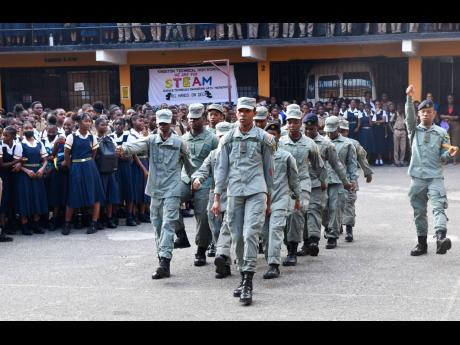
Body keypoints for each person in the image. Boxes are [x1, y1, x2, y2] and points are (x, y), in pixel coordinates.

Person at [117, 109, 195, 279]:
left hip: (172, 190)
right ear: (157, 123)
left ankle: (165, 262)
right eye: (161, 123)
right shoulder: (152, 140)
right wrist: (123, 149)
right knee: (157, 225)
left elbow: (189, 165)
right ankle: (161, 257)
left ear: (171, 123)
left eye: (166, 123)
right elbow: (137, 145)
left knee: (168, 223)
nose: (163, 126)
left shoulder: (179, 143)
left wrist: (195, 180)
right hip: (155, 189)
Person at [212, 97, 276, 306]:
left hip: (257, 191)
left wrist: (269, 197)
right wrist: (217, 197)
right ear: (236, 112)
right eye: (240, 110)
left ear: (254, 112)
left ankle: (248, 281)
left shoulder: (264, 138)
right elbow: (221, 169)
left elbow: (269, 169)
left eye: (247, 111)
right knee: (237, 236)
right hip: (234, 193)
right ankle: (242, 275)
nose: (243, 114)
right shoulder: (227, 139)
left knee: (250, 234)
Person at [405, 85, 458, 256]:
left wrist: (449, 154)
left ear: (434, 114)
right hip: (417, 178)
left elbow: (443, 155)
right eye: (423, 112)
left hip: (435, 176)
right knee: (419, 211)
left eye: (429, 111)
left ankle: (441, 239)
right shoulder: (413, 130)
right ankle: (422, 245)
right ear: (419, 114)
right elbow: (409, 116)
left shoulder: (442, 132)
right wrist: (409, 98)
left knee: (438, 208)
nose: (426, 114)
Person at [297, 114, 351, 256]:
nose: (308, 131)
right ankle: (306, 242)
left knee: (314, 211)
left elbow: (337, 164)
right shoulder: (298, 141)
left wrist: (345, 182)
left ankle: (315, 240)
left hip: (317, 184)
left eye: (312, 128)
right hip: (300, 184)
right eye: (306, 129)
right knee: (303, 213)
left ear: (318, 127)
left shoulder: (326, 144)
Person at [279, 105, 326, 265]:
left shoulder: (309, 143)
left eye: (295, 122)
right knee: (283, 216)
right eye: (289, 121)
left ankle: (292, 251)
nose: (292, 125)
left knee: (295, 213)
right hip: (283, 184)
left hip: (302, 184)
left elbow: (318, 165)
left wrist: (323, 181)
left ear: (301, 123)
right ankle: (291, 243)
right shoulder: (279, 142)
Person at [173, 104, 218, 266]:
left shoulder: (212, 138)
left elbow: (216, 162)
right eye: (190, 119)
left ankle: (201, 250)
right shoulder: (182, 138)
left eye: (196, 119)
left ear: (203, 120)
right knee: (170, 200)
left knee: (203, 216)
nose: (192, 122)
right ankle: (181, 235)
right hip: (186, 178)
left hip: (205, 181)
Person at [191, 122, 233, 276]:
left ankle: (222, 258)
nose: (222, 140)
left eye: (225, 137)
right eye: (219, 137)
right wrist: (197, 179)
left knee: (227, 228)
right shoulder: (213, 154)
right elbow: (203, 169)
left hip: (233, 195)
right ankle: (224, 261)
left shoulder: (238, 153)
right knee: (215, 228)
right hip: (215, 194)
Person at [261, 122, 300, 279]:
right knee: (265, 234)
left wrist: (297, 198)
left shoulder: (286, 156)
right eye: (269, 135)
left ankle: (273, 265)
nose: (272, 137)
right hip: (262, 200)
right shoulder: (258, 155)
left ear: (279, 137)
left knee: (275, 230)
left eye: (275, 135)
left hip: (280, 199)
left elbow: (294, 179)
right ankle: (269, 258)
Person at [62, 113, 105, 235]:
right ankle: (67, 223)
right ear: (80, 123)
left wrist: (88, 162)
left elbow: (94, 152)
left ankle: (94, 222)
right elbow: (66, 154)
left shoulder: (92, 137)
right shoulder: (72, 137)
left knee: (95, 194)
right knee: (73, 194)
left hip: (90, 167)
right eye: (86, 121)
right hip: (76, 166)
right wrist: (72, 167)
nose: (89, 123)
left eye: (90, 121)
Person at [322, 116, 357, 249]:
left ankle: (333, 236)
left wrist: (352, 181)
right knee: (323, 208)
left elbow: (352, 165)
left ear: (338, 129)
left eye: (332, 130)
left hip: (339, 181)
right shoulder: (320, 142)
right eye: (328, 131)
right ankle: (327, 226)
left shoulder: (347, 144)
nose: (330, 133)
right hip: (323, 180)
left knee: (336, 208)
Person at [338, 119, 373, 242]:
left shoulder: (353, 143)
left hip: (350, 178)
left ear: (347, 131)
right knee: (333, 205)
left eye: (344, 131)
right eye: (339, 130)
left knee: (349, 203)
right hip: (333, 179)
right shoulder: (328, 143)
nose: (341, 133)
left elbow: (362, 158)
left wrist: (367, 172)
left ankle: (348, 230)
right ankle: (336, 227)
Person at [15, 121, 49, 235]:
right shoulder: (20, 144)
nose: (28, 129)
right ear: (23, 130)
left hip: (37, 174)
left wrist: (42, 169)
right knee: (25, 198)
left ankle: (36, 224)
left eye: (30, 127)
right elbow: (17, 163)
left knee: (37, 197)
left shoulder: (39, 143)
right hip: (25, 175)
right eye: (26, 128)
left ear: (33, 129)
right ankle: (24, 225)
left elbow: (45, 160)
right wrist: (26, 170)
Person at [109, 118, 136, 226]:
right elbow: (111, 153)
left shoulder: (129, 136)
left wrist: (121, 155)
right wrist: (121, 155)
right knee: (116, 191)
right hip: (114, 167)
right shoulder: (110, 137)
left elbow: (130, 154)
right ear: (113, 125)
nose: (118, 126)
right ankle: (114, 216)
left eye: (120, 124)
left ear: (124, 125)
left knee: (128, 191)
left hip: (126, 167)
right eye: (116, 124)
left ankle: (129, 216)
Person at [95, 117, 120, 229]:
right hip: (99, 171)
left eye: (106, 125)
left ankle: (109, 218)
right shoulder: (94, 139)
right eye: (102, 125)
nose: (104, 127)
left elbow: (116, 151)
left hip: (110, 170)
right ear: (96, 126)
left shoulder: (110, 139)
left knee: (111, 194)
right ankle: (98, 218)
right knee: (100, 196)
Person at [128, 114, 150, 224]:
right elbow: (134, 154)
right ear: (133, 122)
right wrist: (144, 169)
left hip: (145, 161)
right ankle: (132, 214)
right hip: (138, 164)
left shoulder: (142, 133)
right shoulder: (131, 135)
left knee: (144, 189)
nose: (142, 123)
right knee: (136, 190)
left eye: (143, 121)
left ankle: (143, 213)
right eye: (140, 121)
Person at [0, 126, 21, 241]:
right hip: (2, 177)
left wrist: (18, 164)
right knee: (3, 202)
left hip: (13, 176)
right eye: (3, 134)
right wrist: (18, 161)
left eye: (6, 135)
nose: (3, 137)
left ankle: (10, 225)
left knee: (11, 200)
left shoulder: (17, 145)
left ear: (13, 136)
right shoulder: (0, 145)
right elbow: (2, 165)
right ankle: (2, 229)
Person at [439, 94, 460, 164]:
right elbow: (440, 115)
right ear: (447, 99)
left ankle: (455, 159)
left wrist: (448, 117)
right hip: (446, 125)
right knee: (446, 142)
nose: (450, 99)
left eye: (451, 98)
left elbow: (458, 117)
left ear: (453, 99)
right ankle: (446, 159)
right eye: (449, 98)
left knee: (455, 142)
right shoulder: (444, 107)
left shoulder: (457, 107)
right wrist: (448, 116)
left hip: (455, 125)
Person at [372, 101, 388, 166]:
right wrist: (377, 121)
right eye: (376, 104)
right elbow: (372, 122)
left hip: (381, 129)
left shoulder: (383, 112)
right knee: (376, 144)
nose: (377, 105)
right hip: (375, 129)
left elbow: (384, 120)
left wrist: (377, 121)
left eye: (378, 104)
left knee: (381, 144)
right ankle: (376, 159)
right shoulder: (373, 112)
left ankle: (380, 159)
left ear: (380, 105)